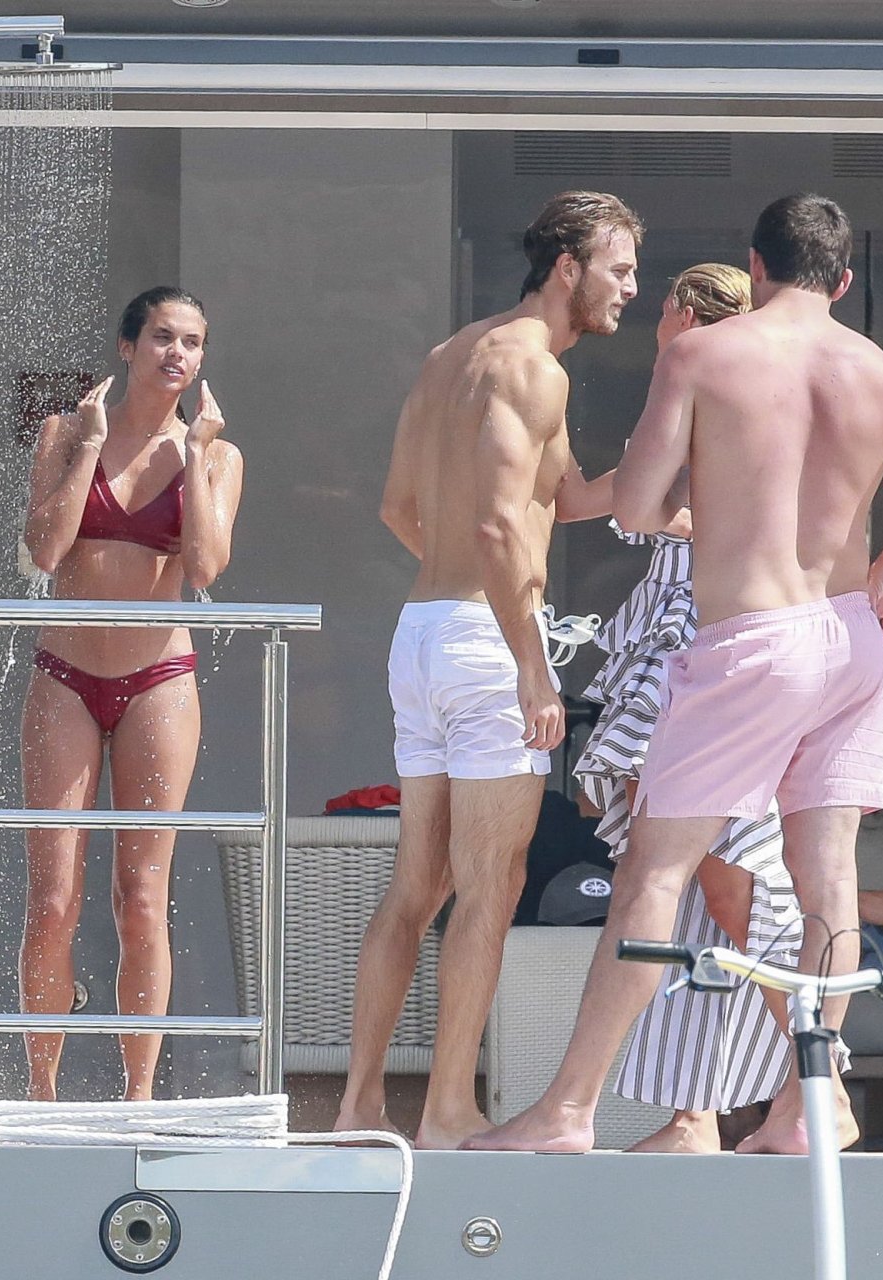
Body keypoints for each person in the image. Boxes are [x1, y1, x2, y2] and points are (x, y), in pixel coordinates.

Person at [468, 193, 883, 1154]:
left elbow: (636, 508)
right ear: (843, 280)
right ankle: (808, 1105)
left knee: (653, 870)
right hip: (851, 641)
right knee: (826, 877)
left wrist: (713, 486)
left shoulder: (705, 356)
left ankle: (568, 1110)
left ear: (756, 267)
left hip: (752, 642)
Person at [577, 264, 883, 1153]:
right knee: (705, 893)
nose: (655, 317)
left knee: (726, 882)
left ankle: (821, 1085)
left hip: (721, 647)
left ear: (691, 318)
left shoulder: (714, 388)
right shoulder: (722, 394)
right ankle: (695, 1114)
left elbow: (655, 509)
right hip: (728, 648)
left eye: (664, 304)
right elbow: (595, 499)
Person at [333, 191, 644, 1148]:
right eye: (620, 268)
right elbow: (504, 525)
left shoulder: (452, 357)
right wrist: (530, 664)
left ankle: (357, 1107)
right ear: (568, 267)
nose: (631, 287)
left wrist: (657, 484)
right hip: (487, 642)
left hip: (424, 630)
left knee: (416, 885)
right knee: (490, 885)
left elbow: (419, 507)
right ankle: (447, 1111)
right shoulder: (536, 370)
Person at [18, 286, 244, 1102]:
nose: (177, 353)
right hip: (66, 677)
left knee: (141, 898)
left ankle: (138, 1095)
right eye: (161, 337)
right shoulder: (65, 432)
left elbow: (207, 566)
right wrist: (89, 447)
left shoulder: (217, 455)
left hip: (159, 681)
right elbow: (46, 551)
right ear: (128, 346)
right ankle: (42, 1091)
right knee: (53, 899)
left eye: (192, 342)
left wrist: (197, 455)